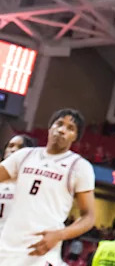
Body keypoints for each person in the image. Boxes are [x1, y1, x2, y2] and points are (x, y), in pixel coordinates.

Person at [0, 108, 96, 266]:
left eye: (70, 128)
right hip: (7, 247)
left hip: (42, 251)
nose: (62, 130)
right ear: (50, 127)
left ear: (75, 137)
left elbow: (89, 217)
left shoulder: (79, 166)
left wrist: (60, 235)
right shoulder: (24, 156)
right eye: (59, 124)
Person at [0, 134, 37, 237]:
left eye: (20, 147)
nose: (14, 150)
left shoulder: (32, 183)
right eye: (10, 146)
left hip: (13, 242)